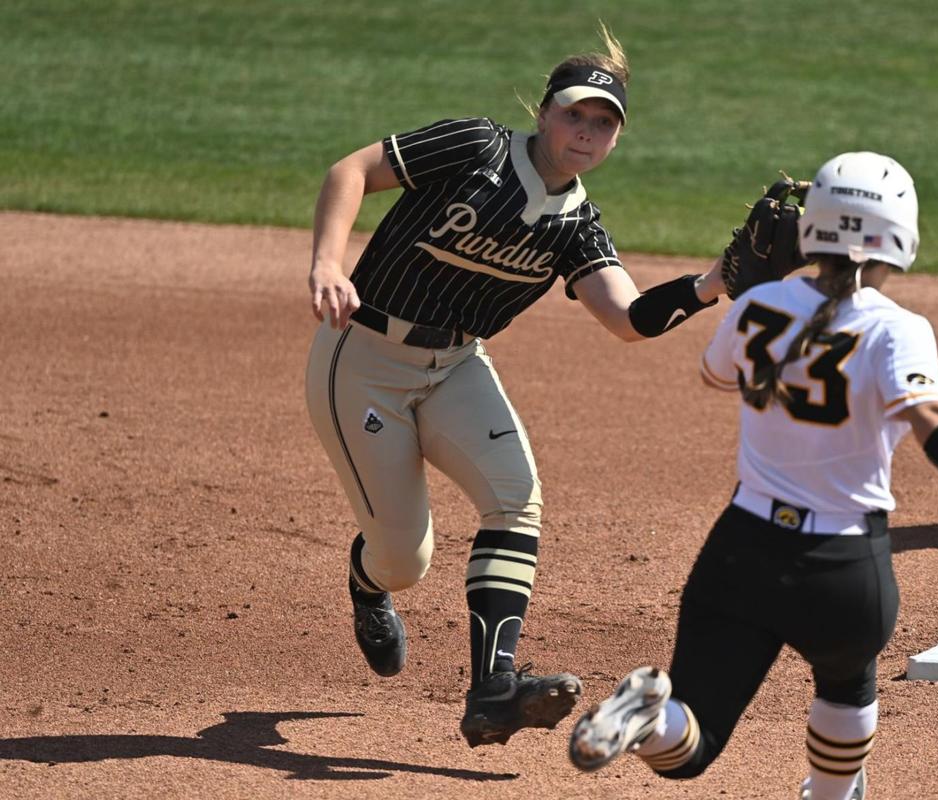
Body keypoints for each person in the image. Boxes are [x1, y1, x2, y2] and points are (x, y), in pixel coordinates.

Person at [568, 151, 938, 799]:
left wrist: (760, 297)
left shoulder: (758, 308)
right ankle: (830, 793)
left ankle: (649, 720)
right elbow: (932, 417)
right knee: (848, 678)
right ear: (899, 236)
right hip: (842, 567)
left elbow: (716, 374)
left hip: (740, 553)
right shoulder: (897, 329)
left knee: (691, 745)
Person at [303, 27, 727, 749]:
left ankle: (492, 693)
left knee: (515, 497)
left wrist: (711, 283)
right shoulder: (476, 148)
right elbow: (351, 171)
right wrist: (326, 263)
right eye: (574, 114)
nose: (586, 132)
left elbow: (627, 319)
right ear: (544, 112)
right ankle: (367, 580)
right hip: (363, 359)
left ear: (616, 140)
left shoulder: (578, 228)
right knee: (406, 561)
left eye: (603, 123)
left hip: (457, 366)